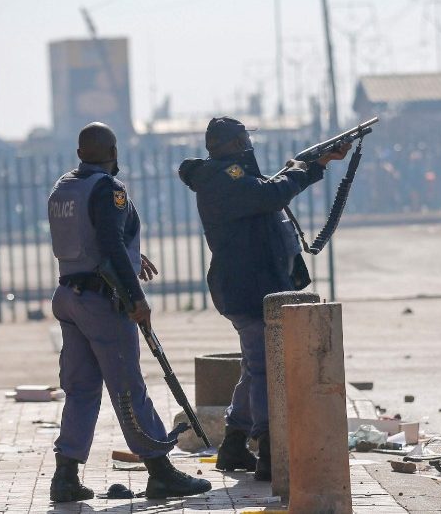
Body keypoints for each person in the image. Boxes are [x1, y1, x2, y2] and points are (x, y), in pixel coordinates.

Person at [178, 116, 349, 481]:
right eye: (242, 139)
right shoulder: (225, 179)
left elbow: (266, 192)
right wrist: (310, 167)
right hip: (248, 287)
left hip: (252, 284)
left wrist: (313, 164)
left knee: (256, 363)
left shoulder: (231, 177)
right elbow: (270, 195)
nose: (247, 145)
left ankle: (235, 441)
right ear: (229, 145)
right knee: (265, 366)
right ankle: (268, 447)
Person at [47, 122, 211, 502]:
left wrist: (129, 257)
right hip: (102, 302)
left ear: (79, 154)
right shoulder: (108, 189)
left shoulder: (63, 188)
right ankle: (160, 470)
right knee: (127, 386)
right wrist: (137, 297)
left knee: (81, 388)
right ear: (114, 151)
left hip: (68, 295)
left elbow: (93, 240)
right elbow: (109, 240)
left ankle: (66, 475)